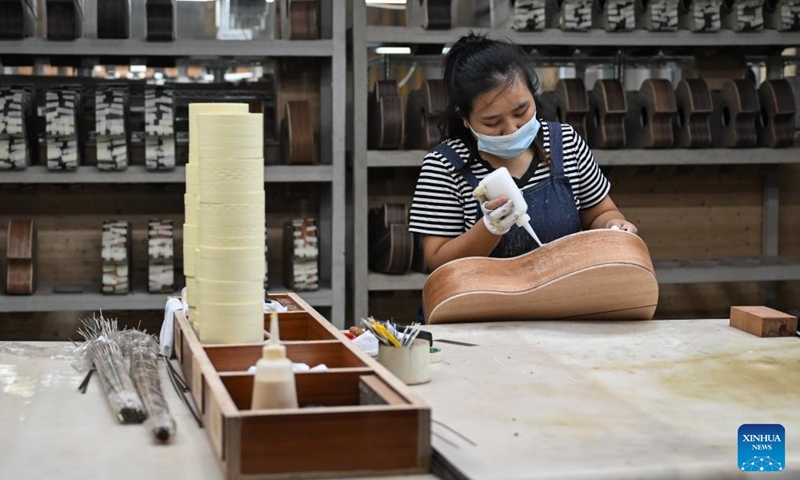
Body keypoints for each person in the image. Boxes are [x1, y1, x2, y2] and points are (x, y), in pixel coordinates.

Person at [409, 33, 637, 275]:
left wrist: (614, 225)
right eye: (492, 121)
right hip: (482, 307)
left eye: (521, 112)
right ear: (465, 118)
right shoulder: (444, 165)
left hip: (561, 300)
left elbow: (600, 213)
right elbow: (436, 259)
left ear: (533, 95)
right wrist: (489, 229)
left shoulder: (565, 143)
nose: (511, 128)